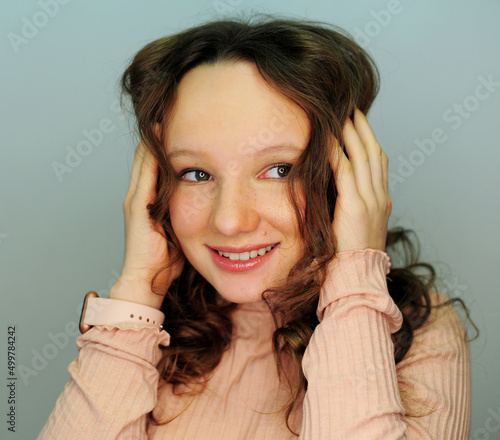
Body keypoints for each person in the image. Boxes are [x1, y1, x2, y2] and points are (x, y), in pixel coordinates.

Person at [38, 17, 476, 439]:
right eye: (195, 173)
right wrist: (137, 289)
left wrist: (355, 277)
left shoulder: (421, 332)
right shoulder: (144, 331)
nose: (229, 221)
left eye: (278, 169)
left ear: (344, 175)